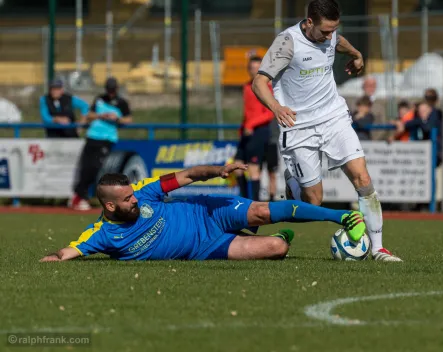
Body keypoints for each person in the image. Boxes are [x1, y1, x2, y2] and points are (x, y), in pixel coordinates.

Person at [251, 0, 401, 261]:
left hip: (333, 117)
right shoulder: (287, 43)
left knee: (362, 178)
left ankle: (378, 248)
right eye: (326, 30)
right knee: (313, 202)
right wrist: (276, 107)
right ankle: (293, 184)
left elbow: (339, 42)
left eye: (334, 29)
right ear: (309, 23)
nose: (331, 35)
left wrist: (356, 54)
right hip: (298, 126)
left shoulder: (330, 35)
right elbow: (259, 82)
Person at [39, 163, 366, 262]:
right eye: (127, 200)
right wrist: (48, 261)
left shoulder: (145, 191)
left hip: (208, 213)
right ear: (109, 206)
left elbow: (187, 176)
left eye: (133, 195)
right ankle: (280, 237)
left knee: (265, 211)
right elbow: (65, 253)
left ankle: (340, 216)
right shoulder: (102, 235)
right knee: (277, 248)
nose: (135, 200)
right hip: (205, 249)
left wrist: (218, 170)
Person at [70, 77, 132, 211]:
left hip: (107, 138)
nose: (110, 92)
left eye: (112, 89)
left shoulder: (121, 103)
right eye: (109, 89)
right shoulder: (99, 99)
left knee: (95, 167)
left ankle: (81, 196)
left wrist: (117, 118)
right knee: (85, 166)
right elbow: (90, 115)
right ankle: (79, 196)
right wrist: (101, 116)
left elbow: (128, 119)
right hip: (92, 136)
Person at [234, 56, 275, 201]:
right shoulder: (246, 87)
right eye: (252, 68)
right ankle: (243, 200)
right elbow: (247, 112)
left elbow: (269, 113)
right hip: (246, 132)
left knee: (254, 168)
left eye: (257, 68)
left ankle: (255, 204)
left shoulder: (267, 88)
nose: (254, 71)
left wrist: (251, 125)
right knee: (237, 167)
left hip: (260, 132)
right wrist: (243, 128)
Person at [265, 118, 280, 201]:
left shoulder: (276, 113)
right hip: (260, 143)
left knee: (272, 174)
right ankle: (254, 197)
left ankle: (272, 198)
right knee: (255, 172)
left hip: (272, 145)